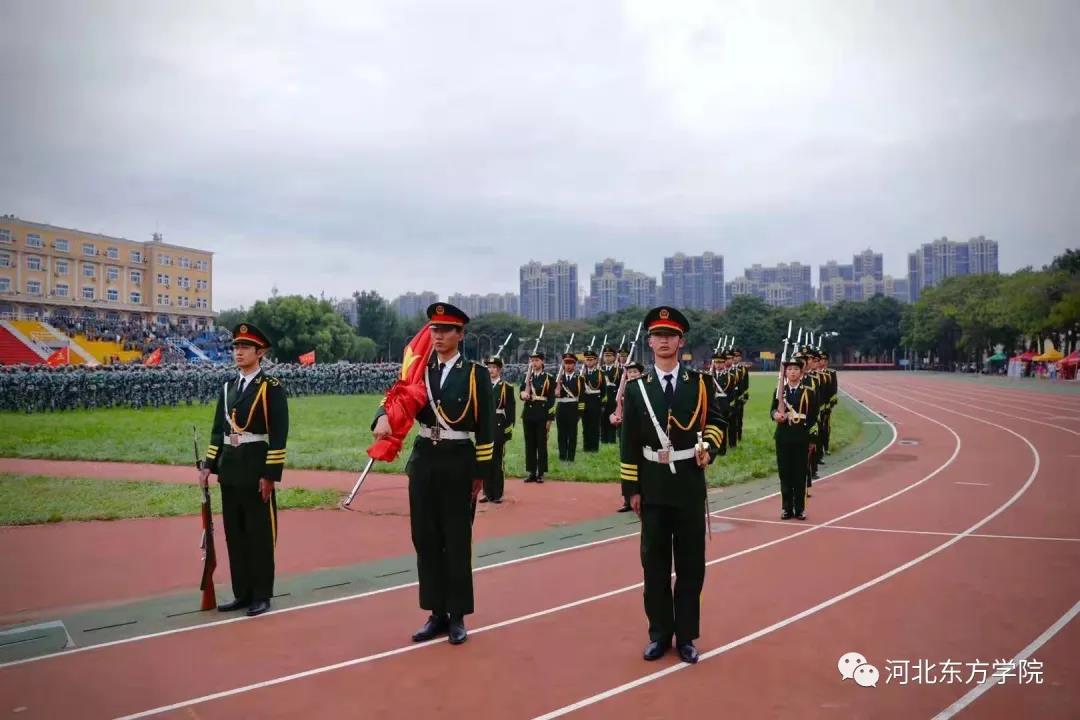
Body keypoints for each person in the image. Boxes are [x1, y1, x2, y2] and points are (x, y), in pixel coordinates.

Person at [372, 303, 494, 645]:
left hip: (458, 460)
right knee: (425, 539)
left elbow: (487, 428)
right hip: (425, 459)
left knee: (456, 540)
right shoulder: (420, 370)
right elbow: (395, 395)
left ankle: (457, 615)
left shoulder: (475, 374)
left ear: (460, 335)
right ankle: (435, 612)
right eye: (434, 330)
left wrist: (481, 472)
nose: (437, 336)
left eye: (445, 330)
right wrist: (382, 416)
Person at [620, 306, 725, 664]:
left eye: (670, 335)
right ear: (649, 342)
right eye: (657, 335)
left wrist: (709, 448)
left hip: (689, 486)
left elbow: (718, 422)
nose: (663, 340)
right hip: (652, 486)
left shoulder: (700, 384)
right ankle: (659, 633)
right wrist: (631, 489)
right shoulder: (638, 388)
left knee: (691, 565)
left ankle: (686, 636)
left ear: (681, 341)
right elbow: (629, 441)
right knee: (655, 566)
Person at [199, 322, 289, 618]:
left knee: (259, 534)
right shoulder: (228, 387)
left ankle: (261, 594)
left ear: (259, 352)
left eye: (245, 347)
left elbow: (279, 434)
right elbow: (218, 430)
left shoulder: (270, 387)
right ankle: (242, 593)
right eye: (236, 347)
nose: (238, 352)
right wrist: (208, 465)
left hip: (255, 467)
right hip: (230, 468)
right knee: (234, 534)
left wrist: (270, 475)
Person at [770, 353, 819, 521]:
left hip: (801, 438)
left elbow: (814, 417)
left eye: (795, 369)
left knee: (799, 474)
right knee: (785, 474)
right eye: (789, 369)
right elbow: (772, 410)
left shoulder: (809, 392)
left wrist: (812, 439)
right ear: (785, 372)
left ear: (801, 372)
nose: (792, 372)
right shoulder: (779, 392)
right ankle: (786, 508)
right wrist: (776, 415)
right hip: (783, 437)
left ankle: (799, 509)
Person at [482, 354, 515, 504]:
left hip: (498, 424)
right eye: (489, 367)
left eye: (494, 367)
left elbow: (511, 411)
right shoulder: (482, 386)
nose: (491, 370)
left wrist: (507, 431)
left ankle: (497, 493)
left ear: (499, 370)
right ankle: (486, 492)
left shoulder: (506, 387)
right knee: (484, 459)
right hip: (485, 425)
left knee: (496, 460)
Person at [612, 360, 644, 513]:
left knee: (641, 464)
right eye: (630, 372)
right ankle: (627, 499)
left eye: (635, 372)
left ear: (640, 373)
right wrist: (613, 417)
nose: (632, 374)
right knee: (626, 463)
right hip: (624, 430)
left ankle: (643, 497)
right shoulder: (622, 390)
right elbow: (614, 409)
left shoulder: (645, 389)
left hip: (641, 430)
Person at [520, 350, 555, 482]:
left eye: (537, 360)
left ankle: (540, 472)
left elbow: (551, 400)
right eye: (532, 360)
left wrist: (549, 419)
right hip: (528, 414)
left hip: (542, 414)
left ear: (542, 361)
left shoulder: (548, 378)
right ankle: (531, 472)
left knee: (541, 444)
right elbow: (521, 391)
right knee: (529, 444)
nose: (534, 363)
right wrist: (522, 394)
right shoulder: (527, 377)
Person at [553, 351, 584, 462]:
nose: (568, 365)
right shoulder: (558, 379)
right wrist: (556, 390)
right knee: (561, 434)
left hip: (573, 407)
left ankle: (570, 457)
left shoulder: (579, 379)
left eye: (571, 363)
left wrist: (580, 413)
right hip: (561, 407)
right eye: (566, 363)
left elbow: (582, 397)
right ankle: (562, 456)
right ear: (563, 364)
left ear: (574, 365)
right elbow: (553, 395)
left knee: (572, 434)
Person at [580, 348, 606, 452]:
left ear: (595, 361)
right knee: (585, 425)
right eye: (587, 359)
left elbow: (604, 390)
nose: (589, 362)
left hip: (596, 402)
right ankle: (586, 447)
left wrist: (602, 405)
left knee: (595, 426)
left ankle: (594, 448)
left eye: (591, 359)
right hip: (585, 402)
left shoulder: (600, 374)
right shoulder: (582, 374)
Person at [599, 344, 621, 444]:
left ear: (614, 357)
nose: (607, 358)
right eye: (605, 355)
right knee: (602, 421)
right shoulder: (600, 370)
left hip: (613, 400)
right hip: (602, 400)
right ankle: (603, 440)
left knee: (612, 422)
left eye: (609, 355)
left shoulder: (619, 370)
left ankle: (612, 440)